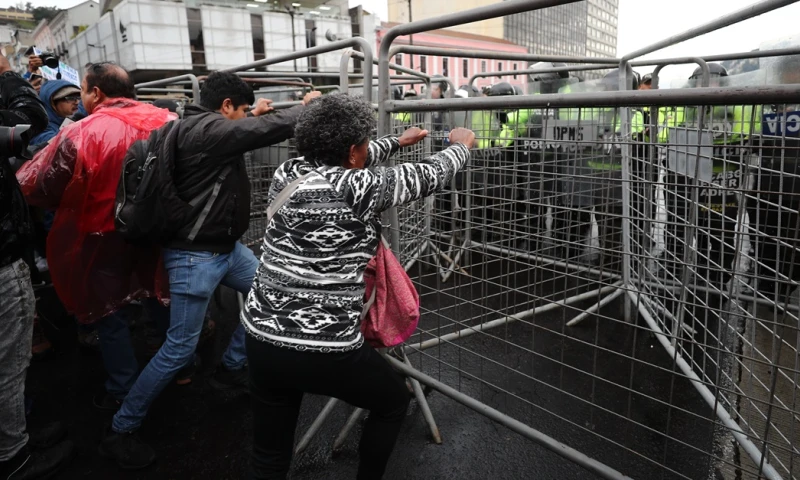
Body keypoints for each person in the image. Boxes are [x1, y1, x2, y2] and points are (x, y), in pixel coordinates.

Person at [240, 93, 473, 479]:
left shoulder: (289, 173)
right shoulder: (358, 188)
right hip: (325, 348)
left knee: (269, 453)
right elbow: (426, 176)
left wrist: (397, 142)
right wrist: (459, 148)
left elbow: (349, 158)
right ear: (352, 152)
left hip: (262, 336)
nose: (367, 151)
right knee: (392, 402)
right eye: (364, 145)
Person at [99, 71, 321, 470]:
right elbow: (260, 131)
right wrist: (306, 109)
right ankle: (122, 428)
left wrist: (252, 113)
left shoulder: (194, 126)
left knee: (270, 294)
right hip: (195, 256)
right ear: (224, 107)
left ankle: (231, 367)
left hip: (224, 249)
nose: (243, 119)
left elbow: (243, 127)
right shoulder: (207, 132)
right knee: (178, 348)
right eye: (241, 111)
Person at [16, 62, 177, 414]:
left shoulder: (80, 132)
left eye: (83, 92)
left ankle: (124, 389)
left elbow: (37, 184)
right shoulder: (169, 121)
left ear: (96, 93)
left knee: (110, 314)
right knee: (160, 296)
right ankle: (177, 370)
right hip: (158, 230)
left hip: (102, 237)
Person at [0, 53, 74, 480]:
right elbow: (27, 121)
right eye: (62, 99)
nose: (70, 106)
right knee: (8, 361)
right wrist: (10, 76)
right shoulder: (36, 120)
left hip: (13, 248)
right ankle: (14, 456)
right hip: (5, 255)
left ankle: (17, 433)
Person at [30, 80, 80, 147]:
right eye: (70, 98)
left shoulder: (64, 120)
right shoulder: (42, 131)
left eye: (78, 97)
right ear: (52, 103)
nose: (77, 102)